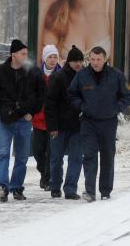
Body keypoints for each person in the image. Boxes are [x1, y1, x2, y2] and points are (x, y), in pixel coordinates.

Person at [68, 46, 130, 202]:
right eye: (92, 59)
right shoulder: (82, 76)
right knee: (89, 156)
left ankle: (105, 191)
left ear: (105, 59)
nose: (95, 62)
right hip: (88, 122)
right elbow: (72, 93)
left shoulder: (116, 76)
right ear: (89, 59)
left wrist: (116, 109)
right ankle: (89, 191)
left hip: (108, 122)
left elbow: (128, 95)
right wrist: (81, 106)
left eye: (98, 59)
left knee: (107, 156)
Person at [0, 39, 45, 202]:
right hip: (5, 120)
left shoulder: (33, 72)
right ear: (13, 54)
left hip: (25, 120)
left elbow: (41, 94)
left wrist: (32, 112)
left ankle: (17, 187)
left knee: (22, 157)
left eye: (26, 53)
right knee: (3, 153)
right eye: (23, 53)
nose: (26, 56)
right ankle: (2, 186)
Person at [45, 45, 85, 199]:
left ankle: (70, 189)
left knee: (76, 158)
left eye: (80, 61)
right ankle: (55, 186)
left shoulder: (85, 77)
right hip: (59, 127)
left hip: (78, 126)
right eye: (75, 60)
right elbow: (50, 104)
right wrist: (52, 127)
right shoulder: (58, 77)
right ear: (69, 62)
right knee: (56, 158)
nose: (78, 64)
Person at [32, 45, 61, 191]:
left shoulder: (61, 74)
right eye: (50, 56)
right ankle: (43, 172)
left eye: (55, 56)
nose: (52, 60)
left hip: (54, 121)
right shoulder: (36, 74)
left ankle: (48, 179)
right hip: (37, 120)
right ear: (44, 58)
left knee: (51, 152)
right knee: (37, 151)